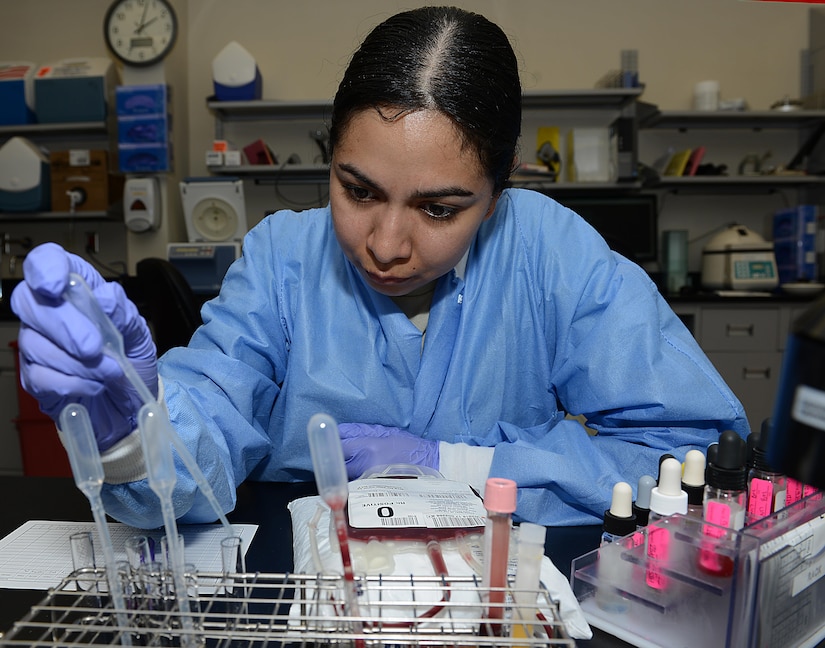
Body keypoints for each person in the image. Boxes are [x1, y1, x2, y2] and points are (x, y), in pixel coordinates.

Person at [11, 6, 748, 530]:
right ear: (328, 158)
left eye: (439, 208)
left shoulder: (551, 254)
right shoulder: (282, 260)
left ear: (497, 195)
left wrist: (457, 465)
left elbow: (695, 460)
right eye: (357, 190)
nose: (386, 245)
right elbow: (206, 439)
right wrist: (133, 432)